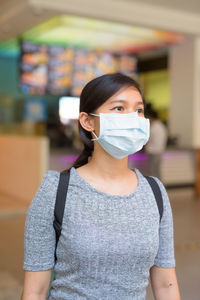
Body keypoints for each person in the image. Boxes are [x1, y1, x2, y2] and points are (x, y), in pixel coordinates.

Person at [21, 73, 180, 300]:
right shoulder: (55, 191)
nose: (132, 118)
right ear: (87, 121)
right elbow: (34, 291)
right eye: (118, 108)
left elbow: (166, 285)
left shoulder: (155, 192)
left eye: (138, 110)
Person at [145, 109, 168, 179]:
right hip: (159, 150)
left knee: (152, 171)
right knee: (157, 170)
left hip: (153, 151)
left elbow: (148, 139)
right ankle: (159, 186)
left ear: (151, 117)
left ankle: (154, 187)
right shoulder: (161, 126)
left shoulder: (154, 127)